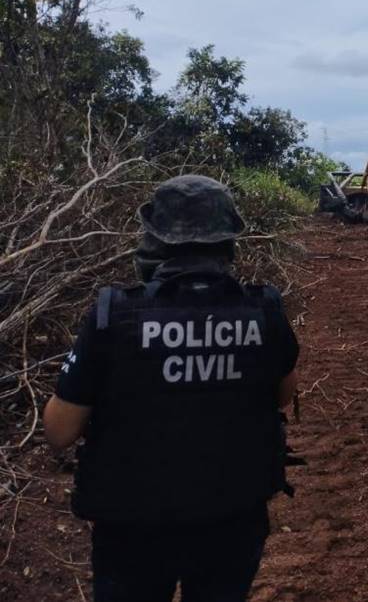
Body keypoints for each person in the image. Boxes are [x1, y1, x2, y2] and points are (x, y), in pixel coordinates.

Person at [43, 175, 300, 602]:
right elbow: (282, 396)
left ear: (155, 240)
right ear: (227, 241)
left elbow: (60, 431)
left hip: (132, 528)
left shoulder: (114, 314)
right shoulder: (264, 309)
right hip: (233, 518)